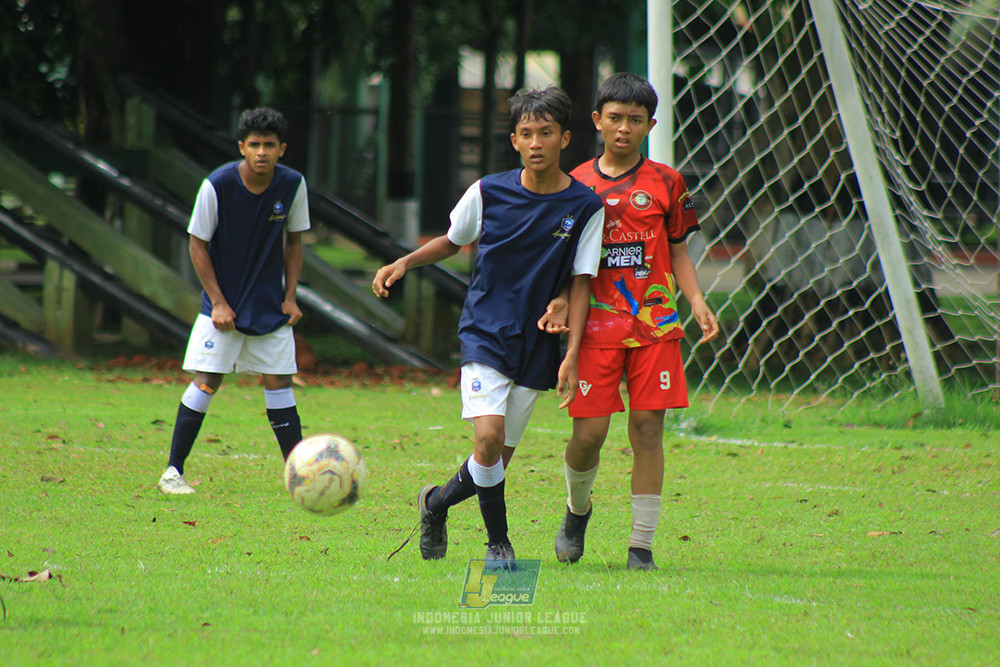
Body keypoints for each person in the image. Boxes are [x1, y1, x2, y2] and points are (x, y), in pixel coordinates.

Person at [372, 86, 604, 568]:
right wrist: (404, 262)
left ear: (565, 138)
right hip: (486, 330)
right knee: (488, 440)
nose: (536, 142)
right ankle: (499, 544)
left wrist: (572, 354)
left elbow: (582, 283)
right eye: (526, 134)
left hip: (539, 342)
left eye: (546, 133)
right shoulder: (487, 192)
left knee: (495, 461)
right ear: (514, 140)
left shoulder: (585, 206)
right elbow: (452, 242)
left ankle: (433, 504)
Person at [553, 72, 719, 570]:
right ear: (597, 120)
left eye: (635, 120)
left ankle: (641, 546)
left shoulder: (668, 182)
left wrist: (695, 299)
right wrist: (560, 301)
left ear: (650, 124)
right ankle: (576, 511)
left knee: (647, 430)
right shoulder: (574, 184)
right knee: (588, 436)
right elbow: (562, 259)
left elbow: (679, 249)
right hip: (594, 329)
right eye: (615, 118)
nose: (624, 128)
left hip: (655, 326)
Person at [157, 107, 310, 495]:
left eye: (269, 145)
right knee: (207, 381)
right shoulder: (217, 184)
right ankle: (173, 472)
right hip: (222, 309)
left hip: (269, 308)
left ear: (282, 149)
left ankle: (298, 477)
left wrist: (290, 297)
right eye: (254, 144)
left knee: (279, 383)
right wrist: (218, 302)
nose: (261, 152)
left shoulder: (292, 184)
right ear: (242, 147)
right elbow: (197, 243)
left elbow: (294, 241)